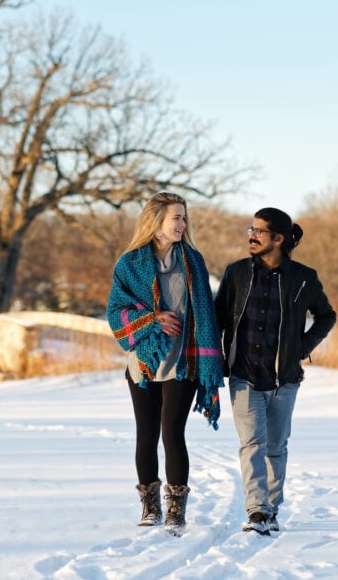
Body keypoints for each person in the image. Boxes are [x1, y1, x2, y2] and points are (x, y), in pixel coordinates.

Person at [106, 191, 224, 536]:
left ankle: (176, 509)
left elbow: (205, 313)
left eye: (184, 217)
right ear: (156, 222)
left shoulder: (193, 260)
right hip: (144, 362)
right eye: (176, 218)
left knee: (173, 433)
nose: (182, 224)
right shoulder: (129, 263)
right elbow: (116, 312)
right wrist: (152, 318)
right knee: (146, 434)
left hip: (184, 362)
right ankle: (150, 505)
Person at [214, 207, 337, 535]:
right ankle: (257, 510)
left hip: (284, 379)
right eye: (250, 229)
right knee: (252, 443)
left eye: (259, 231)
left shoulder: (303, 277)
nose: (251, 236)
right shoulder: (236, 273)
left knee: (275, 447)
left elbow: (326, 315)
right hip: (243, 375)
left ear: (278, 239)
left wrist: (302, 347)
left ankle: (272, 509)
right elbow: (218, 319)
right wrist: (213, 361)